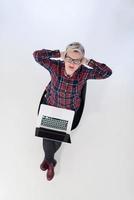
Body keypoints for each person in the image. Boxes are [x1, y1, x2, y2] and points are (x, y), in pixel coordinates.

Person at [33, 42, 112, 181]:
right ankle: (50, 162)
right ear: (65, 57)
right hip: (50, 106)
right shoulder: (55, 66)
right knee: (47, 136)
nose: (72, 63)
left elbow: (107, 73)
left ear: (81, 62)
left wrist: (88, 61)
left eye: (77, 61)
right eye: (69, 58)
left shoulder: (84, 73)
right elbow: (37, 56)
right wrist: (58, 54)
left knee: (57, 138)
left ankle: (48, 160)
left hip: (68, 112)